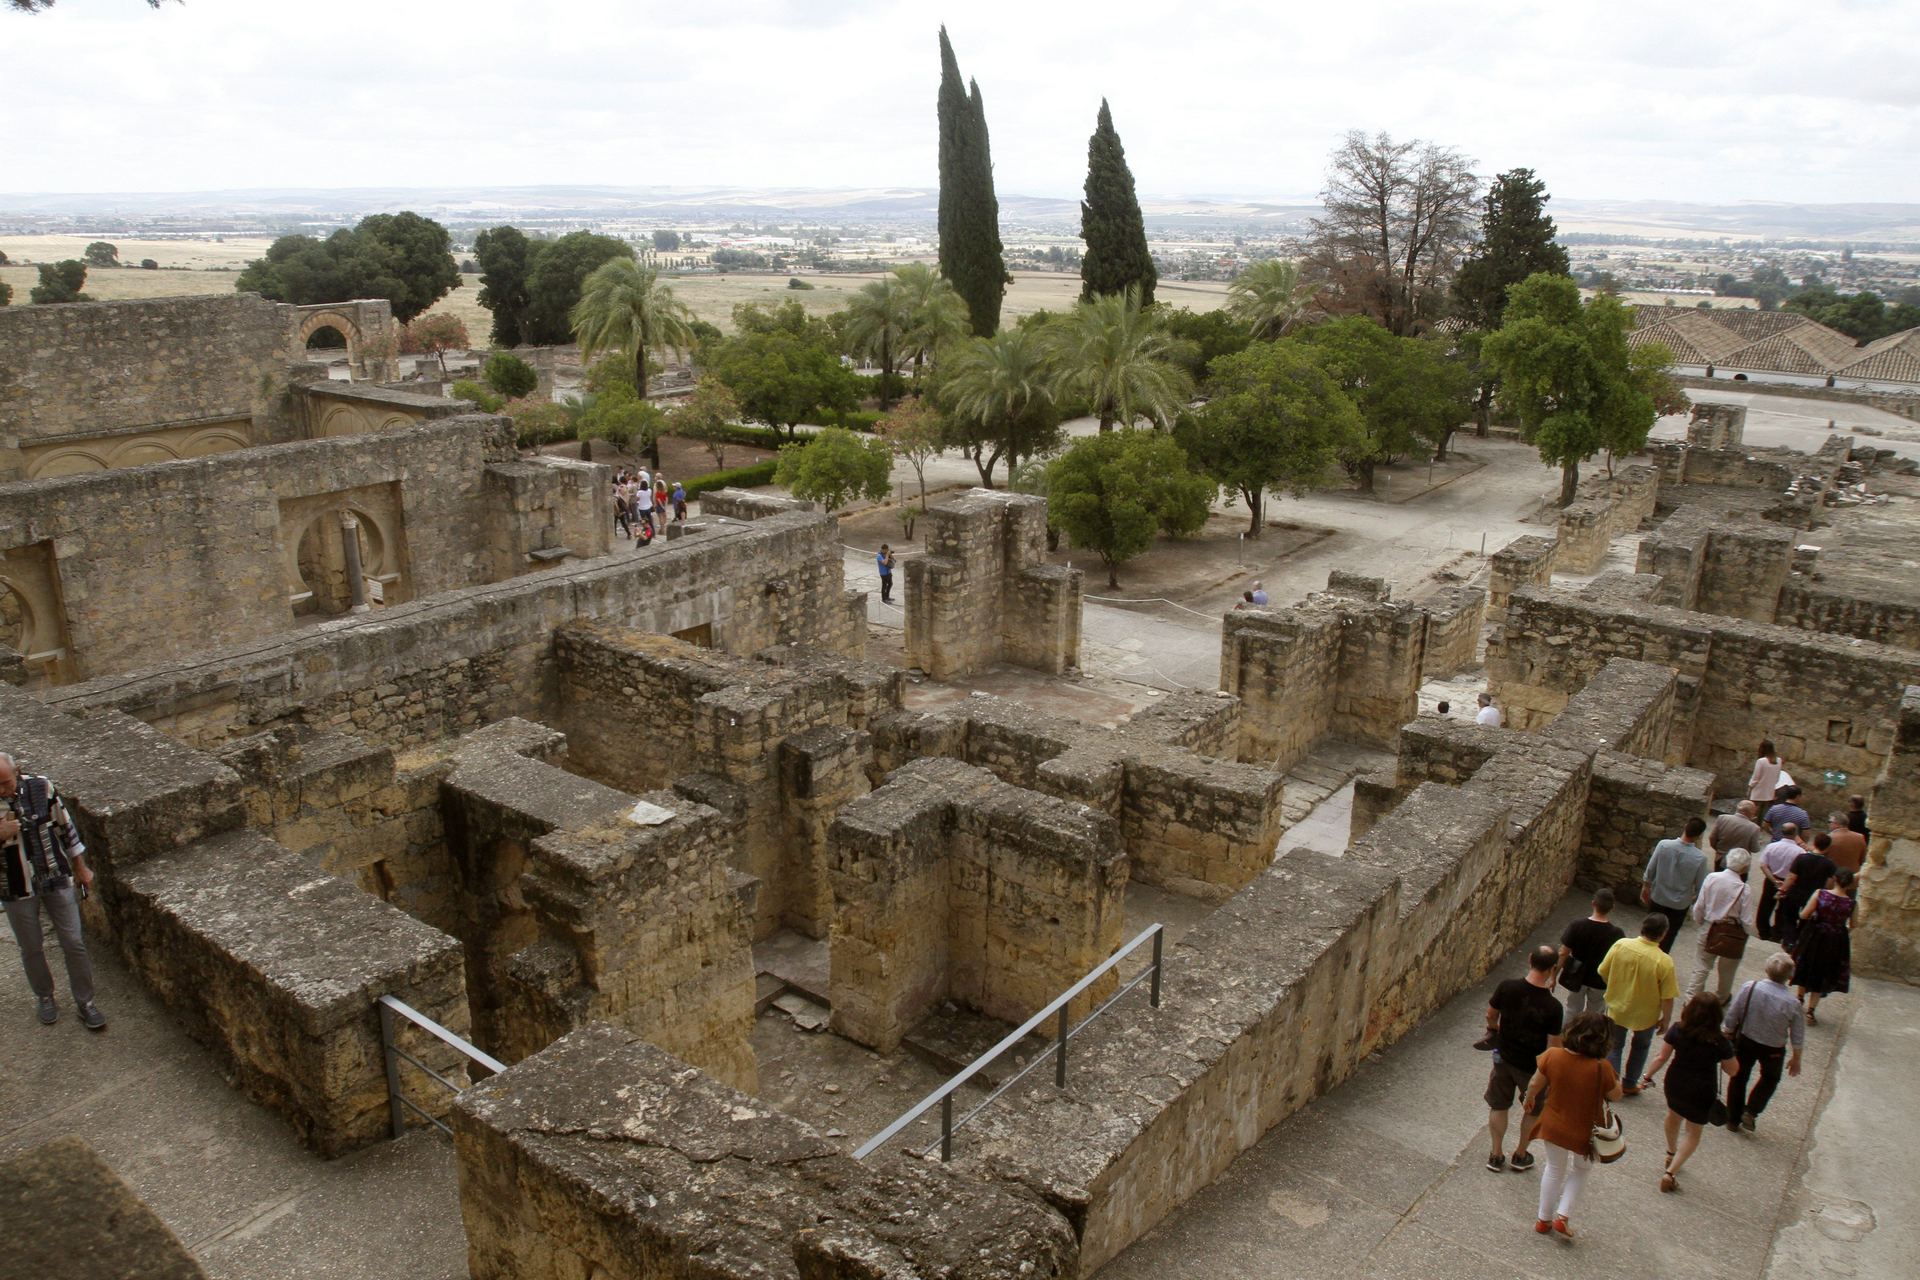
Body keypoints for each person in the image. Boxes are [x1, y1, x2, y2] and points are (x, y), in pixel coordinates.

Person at [1, 753, 105, 1030]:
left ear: (18, 772)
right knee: (31, 947)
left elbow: (66, 828)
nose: (2, 790)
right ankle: (45, 996)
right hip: (15, 886)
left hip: (56, 876)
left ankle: (86, 1002)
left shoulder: (41, 786)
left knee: (74, 942)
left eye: (5, 783)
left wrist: (81, 868)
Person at [1521, 1012, 1621, 1240]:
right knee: (1582, 1169)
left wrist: (1529, 1097)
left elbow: (1535, 1082)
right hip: (1585, 1130)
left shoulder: (1553, 1056)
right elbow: (1616, 1095)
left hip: (1554, 1123)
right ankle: (1563, 1216)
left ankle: (1543, 1219)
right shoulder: (1602, 1068)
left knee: (1554, 1168)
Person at [1639, 993, 1737, 1193]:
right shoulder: (1719, 1042)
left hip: (1675, 1081)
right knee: (1693, 1132)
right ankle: (1671, 1172)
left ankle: (1670, 1150)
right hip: (1702, 1089)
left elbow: (1661, 1056)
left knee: (1672, 1116)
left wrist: (1647, 1076)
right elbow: (1732, 1070)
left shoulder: (1678, 1030)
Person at [1482, 945, 1565, 1174]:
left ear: (1530, 959)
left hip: (1503, 1058)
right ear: (1552, 969)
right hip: (1533, 1068)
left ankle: (1496, 1154)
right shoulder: (1553, 1007)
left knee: (1499, 1104)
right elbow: (1554, 1046)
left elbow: (1491, 1014)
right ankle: (1520, 1154)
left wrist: (1494, 1030)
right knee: (1532, 1111)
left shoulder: (1507, 987)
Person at [1723, 952, 1805, 1133]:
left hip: (1746, 1039)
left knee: (1738, 1076)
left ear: (1766, 969)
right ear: (1789, 976)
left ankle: (1732, 1119)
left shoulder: (1750, 987)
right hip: (1773, 1047)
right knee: (1770, 1078)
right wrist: (1796, 1057)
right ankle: (1751, 1111)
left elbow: (1733, 1012)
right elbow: (1797, 1033)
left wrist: (1728, 1031)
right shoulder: (1793, 1003)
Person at [1597, 913, 1678, 1093]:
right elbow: (1667, 997)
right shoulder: (1664, 962)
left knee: (1615, 1046)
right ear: (1663, 934)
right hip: (1646, 1014)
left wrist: (1615, 986)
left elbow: (1603, 971)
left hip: (1618, 1007)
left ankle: (1612, 1086)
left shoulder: (1621, 945)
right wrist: (1666, 1019)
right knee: (1641, 1047)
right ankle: (1630, 1083)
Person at [1686, 849, 1753, 1002]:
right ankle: (1721, 997)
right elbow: (1746, 920)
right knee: (1727, 971)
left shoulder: (1712, 878)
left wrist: (1701, 922)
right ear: (1744, 868)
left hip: (1710, 926)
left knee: (1701, 966)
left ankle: (1691, 1000)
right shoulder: (1744, 889)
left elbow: (1699, 906)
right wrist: (1745, 934)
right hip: (1732, 932)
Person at [1792, 867, 1854, 1025]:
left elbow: (1804, 914)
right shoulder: (1851, 903)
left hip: (1815, 934)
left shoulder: (1821, 894)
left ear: (1835, 879)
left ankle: (1799, 999)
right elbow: (1854, 924)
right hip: (1835, 940)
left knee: (1805, 964)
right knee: (1822, 971)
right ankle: (1811, 1011)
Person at [1642, 817, 1710, 953]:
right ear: (1699, 835)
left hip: (1658, 897)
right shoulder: (1700, 858)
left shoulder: (1663, 845)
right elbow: (1700, 885)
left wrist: (1646, 887)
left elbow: (1650, 870)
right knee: (1669, 935)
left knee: (1649, 930)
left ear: (1685, 826)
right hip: (1679, 904)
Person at [1558, 889, 1624, 1016]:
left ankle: (1568, 1034)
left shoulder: (1577, 925)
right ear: (1612, 907)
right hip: (1600, 979)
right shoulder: (1617, 934)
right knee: (1595, 1014)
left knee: (1572, 1010)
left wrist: (1553, 976)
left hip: (1576, 976)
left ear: (1593, 903)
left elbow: (1563, 952)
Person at [1777, 835, 1837, 950]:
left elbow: (1791, 877)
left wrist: (1783, 889)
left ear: (1814, 843)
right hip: (1814, 895)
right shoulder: (1829, 864)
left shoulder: (1801, 858)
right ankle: (1799, 940)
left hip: (1796, 892)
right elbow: (1829, 884)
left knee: (1789, 917)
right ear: (1828, 847)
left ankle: (1789, 940)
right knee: (1806, 919)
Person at [1756, 824, 1804, 944]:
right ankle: (1777, 933)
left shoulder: (1771, 846)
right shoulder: (1800, 852)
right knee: (1783, 909)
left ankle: (1763, 931)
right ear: (1795, 834)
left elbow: (1763, 865)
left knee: (1766, 905)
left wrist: (1773, 879)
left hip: (1772, 879)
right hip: (1789, 882)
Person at [1709, 802, 1764, 872]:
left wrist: (1718, 850)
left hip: (1721, 858)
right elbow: (1755, 849)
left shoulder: (1722, 818)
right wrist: (1759, 843)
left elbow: (1712, 837)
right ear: (1749, 813)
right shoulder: (1754, 828)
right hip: (1740, 864)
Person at [1823, 812, 1866, 876]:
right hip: (1853, 877)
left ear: (1837, 824)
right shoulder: (1860, 837)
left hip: (1833, 876)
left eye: (1830, 822)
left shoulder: (1828, 838)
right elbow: (1862, 859)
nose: (1828, 824)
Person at [1748, 741, 1784, 811]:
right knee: (1763, 814)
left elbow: (1756, 778)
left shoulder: (1761, 761)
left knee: (1753, 812)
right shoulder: (1779, 760)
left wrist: (1750, 786)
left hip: (1757, 792)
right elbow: (1777, 778)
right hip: (1769, 793)